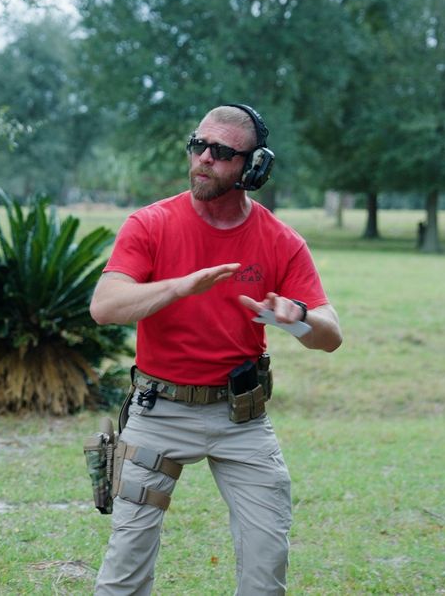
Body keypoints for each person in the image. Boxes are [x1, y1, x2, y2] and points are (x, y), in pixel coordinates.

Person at [89, 104, 343, 595]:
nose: (204, 158)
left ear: (254, 167)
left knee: (267, 564)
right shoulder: (151, 224)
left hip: (240, 419)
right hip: (157, 411)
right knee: (125, 566)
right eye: (198, 145)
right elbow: (105, 306)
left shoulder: (280, 240)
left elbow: (330, 334)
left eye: (222, 152)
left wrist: (299, 318)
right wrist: (179, 287)